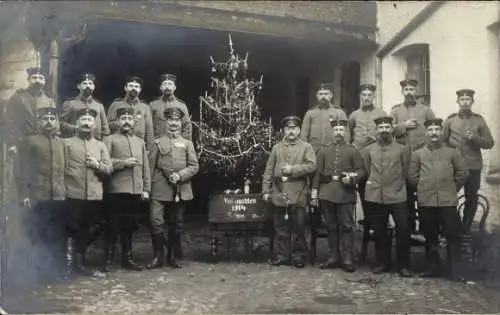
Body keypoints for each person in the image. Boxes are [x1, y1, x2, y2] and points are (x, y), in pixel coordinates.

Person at [409, 118, 469, 280]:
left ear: (441, 132)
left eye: (437, 129)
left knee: (453, 235)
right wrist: (423, 189)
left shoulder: (452, 152)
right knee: (430, 235)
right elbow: (412, 177)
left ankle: (455, 270)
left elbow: (463, 173)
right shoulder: (418, 154)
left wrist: (451, 189)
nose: (434, 133)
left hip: (447, 202)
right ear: (426, 133)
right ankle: (432, 267)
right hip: (426, 201)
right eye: (430, 130)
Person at [147, 107, 199, 269]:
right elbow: (150, 167)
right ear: (166, 122)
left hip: (180, 189)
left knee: (177, 224)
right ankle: (157, 257)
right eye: (171, 120)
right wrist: (147, 189)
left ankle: (171, 256)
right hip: (159, 188)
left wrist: (180, 175)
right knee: (156, 221)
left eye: (176, 121)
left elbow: (194, 166)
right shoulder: (157, 142)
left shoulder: (187, 144)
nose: (173, 124)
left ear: (180, 123)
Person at [17, 107, 66, 277]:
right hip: (37, 196)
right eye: (45, 118)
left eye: (52, 118)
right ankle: (35, 272)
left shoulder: (60, 142)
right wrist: (24, 194)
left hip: (58, 195)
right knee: (37, 234)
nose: (49, 121)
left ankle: (52, 271)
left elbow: (64, 169)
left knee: (54, 234)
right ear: (38, 121)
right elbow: (22, 170)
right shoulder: (30, 142)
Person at [361, 115, 412, 277]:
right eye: (380, 127)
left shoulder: (403, 148)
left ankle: (403, 265)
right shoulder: (369, 150)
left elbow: (406, 171)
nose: (384, 130)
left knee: (403, 229)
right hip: (376, 194)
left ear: (392, 129)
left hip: (397, 193)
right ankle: (383, 262)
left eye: (386, 127)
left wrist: (396, 184)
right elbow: (368, 170)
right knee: (379, 230)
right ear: (377, 130)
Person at [262, 115, 316, 268]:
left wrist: (293, 170)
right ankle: (282, 255)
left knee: (299, 226)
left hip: (298, 190)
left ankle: (299, 256)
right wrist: (266, 190)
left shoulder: (306, 147)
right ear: (283, 130)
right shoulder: (277, 148)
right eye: (288, 128)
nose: (291, 131)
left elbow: (312, 166)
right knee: (281, 227)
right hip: (280, 191)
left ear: (299, 130)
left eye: (294, 128)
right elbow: (269, 169)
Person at [63, 108, 112, 276]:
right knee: (70, 229)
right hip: (71, 193)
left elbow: (109, 168)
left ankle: (79, 262)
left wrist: (97, 165)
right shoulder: (67, 143)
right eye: (83, 120)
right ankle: (67, 264)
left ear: (94, 124)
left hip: (93, 195)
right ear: (77, 123)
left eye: (89, 120)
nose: (86, 123)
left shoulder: (100, 145)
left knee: (87, 229)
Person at [311, 119, 364, 272]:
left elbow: (361, 170)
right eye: (336, 130)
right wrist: (315, 193)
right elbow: (317, 174)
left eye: (341, 130)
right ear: (332, 132)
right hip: (327, 193)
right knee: (331, 226)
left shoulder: (352, 151)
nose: (339, 133)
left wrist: (352, 178)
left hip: (345, 193)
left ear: (345, 132)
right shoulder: (324, 151)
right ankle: (334, 256)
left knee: (346, 226)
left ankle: (347, 258)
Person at [102, 107, 151, 272]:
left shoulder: (139, 141)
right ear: (117, 121)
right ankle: (107, 259)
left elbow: (145, 167)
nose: (127, 121)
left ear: (134, 121)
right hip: (116, 190)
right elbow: (105, 162)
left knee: (129, 226)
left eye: (130, 118)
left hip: (135, 190)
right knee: (112, 226)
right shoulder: (110, 139)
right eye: (123, 118)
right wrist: (123, 163)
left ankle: (127, 258)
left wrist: (146, 188)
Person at [442, 89, 494, 232]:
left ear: (472, 102)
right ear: (458, 101)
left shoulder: (479, 120)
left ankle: (466, 228)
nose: (465, 102)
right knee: (448, 197)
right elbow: (442, 142)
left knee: (471, 198)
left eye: (468, 100)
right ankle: (453, 228)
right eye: (462, 100)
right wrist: (451, 153)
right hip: (454, 166)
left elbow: (490, 143)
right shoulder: (450, 120)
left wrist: (475, 138)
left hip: (473, 166)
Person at [390, 78, 436, 234]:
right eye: (406, 89)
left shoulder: (426, 110)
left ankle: (426, 228)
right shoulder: (395, 111)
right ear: (402, 92)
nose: (409, 92)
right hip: (403, 158)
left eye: (412, 89)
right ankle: (407, 229)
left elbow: (435, 129)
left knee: (424, 191)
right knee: (406, 194)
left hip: (423, 158)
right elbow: (388, 130)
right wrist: (404, 125)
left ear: (416, 91)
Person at [348, 83, 387, 260]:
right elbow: (349, 138)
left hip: (377, 163)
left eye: (369, 94)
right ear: (360, 97)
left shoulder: (381, 113)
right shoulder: (354, 115)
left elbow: (388, 135)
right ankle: (362, 244)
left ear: (373, 96)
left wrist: (375, 138)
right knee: (363, 200)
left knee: (375, 204)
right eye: (363, 94)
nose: (366, 97)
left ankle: (377, 239)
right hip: (359, 163)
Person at [3, 67, 56, 157]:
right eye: (34, 78)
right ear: (28, 80)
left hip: (42, 144)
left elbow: (54, 124)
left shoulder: (49, 101)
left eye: (41, 78)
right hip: (22, 142)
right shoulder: (18, 98)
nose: (38, 81)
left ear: (45, 81)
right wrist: (12, 143)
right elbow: (10, 121)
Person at [300, 83, 350, 153]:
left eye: (326, 94)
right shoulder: (310, 113)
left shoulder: (339, 112)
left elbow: (346, 133)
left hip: (333, 150)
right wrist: (305, 151)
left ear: (331, 95)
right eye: (320, 94)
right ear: (317, 96)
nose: (323, 96)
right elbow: (304, 134)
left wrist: (344, 150)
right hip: (314, 151)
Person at [107, 76, 154, 149]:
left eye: (136, 86)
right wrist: (122, 123)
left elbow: (149, 131)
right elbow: (108, 126)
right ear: (125, 88)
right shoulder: (115, 105)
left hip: (139, 145)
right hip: (119, 145)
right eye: (131, 86)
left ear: (140, 89)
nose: (133, 88)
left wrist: (150, 149)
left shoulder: (145, 107)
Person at [60, 73, 110, 141]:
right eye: (84, 83)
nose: (88, 86)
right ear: (78, 86)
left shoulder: (99, 105)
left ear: (94, 86)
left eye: (90, 83)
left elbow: (105, 128)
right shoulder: (70, 103)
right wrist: (75, 128)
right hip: (76, 141)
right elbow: (61, 123)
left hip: (95, 142)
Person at [149, 73, 192, 140]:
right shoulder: (153, 105)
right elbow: (149, 127)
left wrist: (184, 145)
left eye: (170, 84)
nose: (167, 87)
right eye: (164, 84)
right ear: (161, 88)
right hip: (158, 143)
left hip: (176, 145)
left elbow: (186, 127)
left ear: (174, 87)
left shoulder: (181, 105)